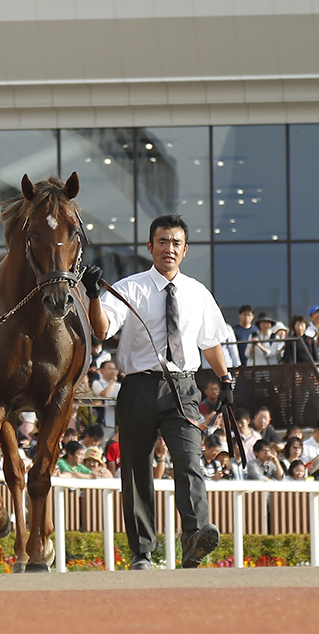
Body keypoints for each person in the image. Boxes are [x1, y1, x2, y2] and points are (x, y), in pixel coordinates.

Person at [84, 213, 231, 570]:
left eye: (176, 243)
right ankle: (142, 553)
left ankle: (194, 537)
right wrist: (93, 295)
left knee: (189, 459)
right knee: (136, 469)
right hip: (138, 386)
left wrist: (226, 380)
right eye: (162, 242)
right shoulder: (129, 287)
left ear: (185, 250)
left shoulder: (197, 292)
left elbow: (210, 343)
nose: (169, 248)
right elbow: (101, 330)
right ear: (150, 247)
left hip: (183, 387)